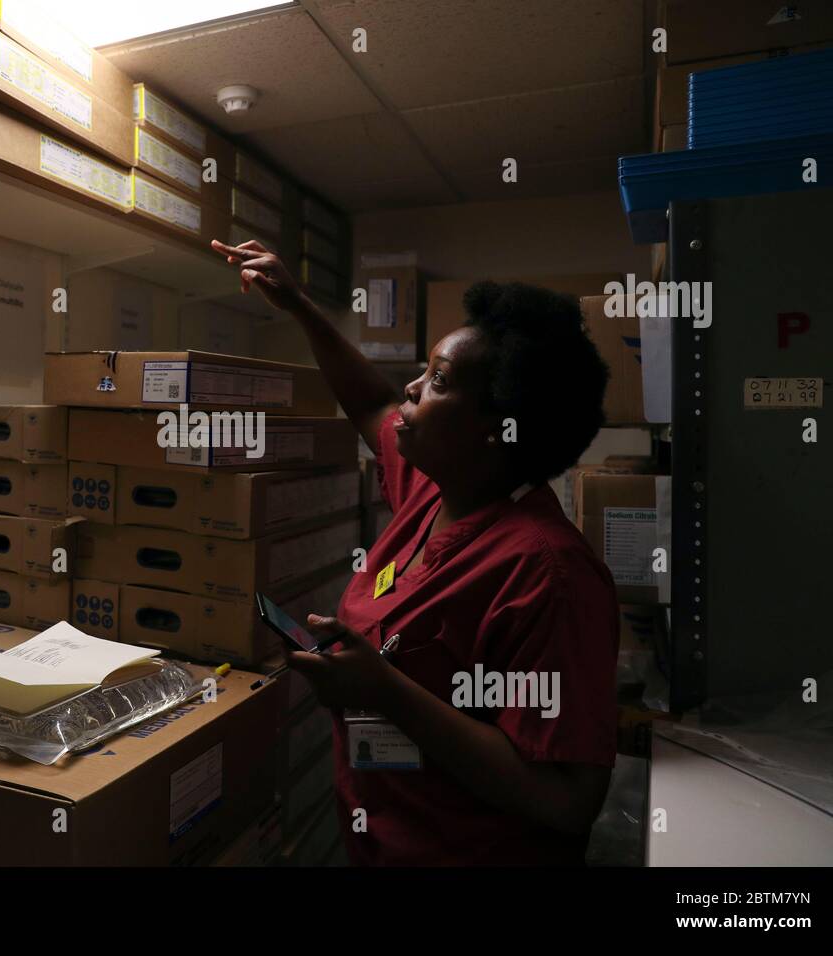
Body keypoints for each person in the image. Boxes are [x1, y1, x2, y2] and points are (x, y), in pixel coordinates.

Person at [212, 238, 620, 866]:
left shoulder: (549, 574)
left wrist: (384, 692)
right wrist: (297, 304)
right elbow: (375, 404)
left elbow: (567, 798)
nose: (411, 387)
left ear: (495, 429)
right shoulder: (436, 489)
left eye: (437, 380)